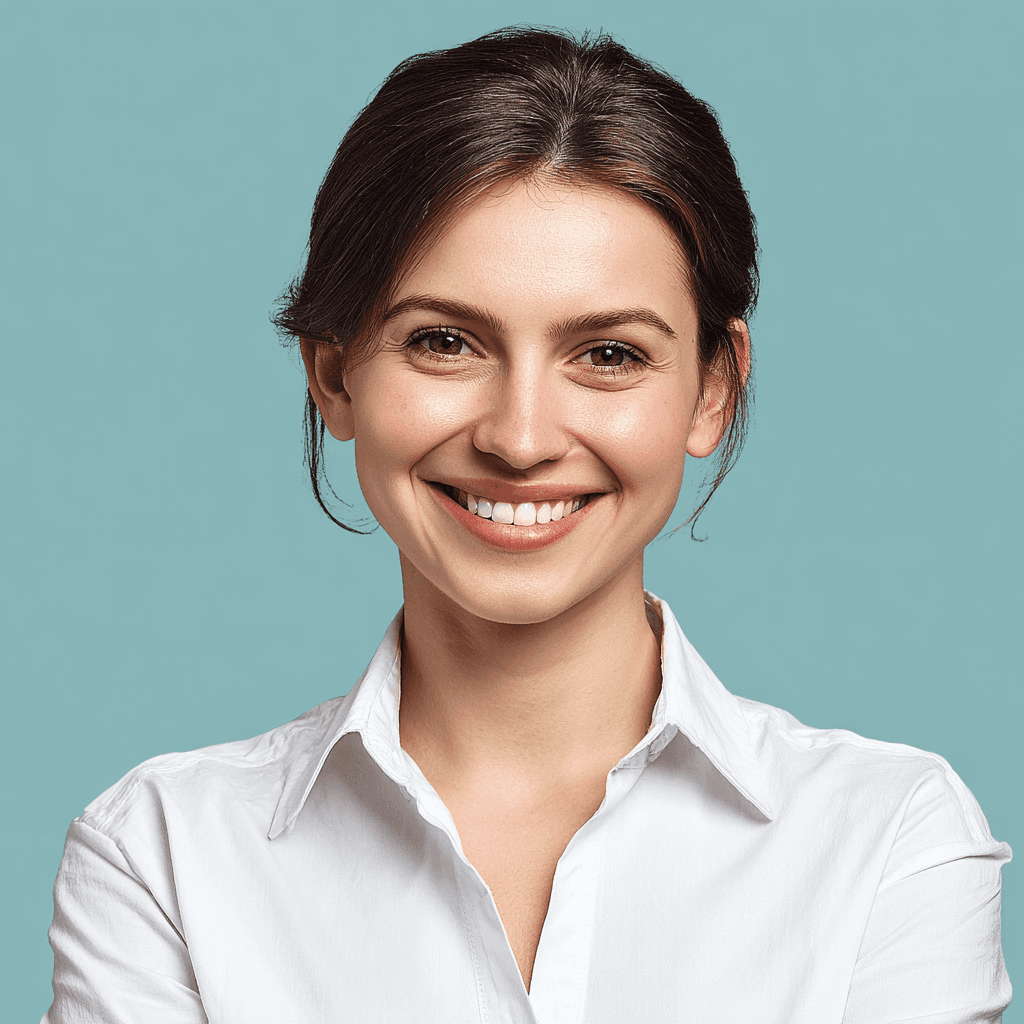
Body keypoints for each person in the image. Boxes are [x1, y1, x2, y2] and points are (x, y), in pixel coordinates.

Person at [42, 27, 1011, 1024]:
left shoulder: (888, 842)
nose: (518, 436)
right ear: (333, 374)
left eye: (608, 355)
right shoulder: (161, 857)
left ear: (711, 390)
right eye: (445, 342)